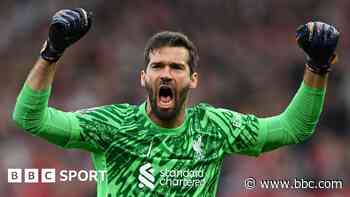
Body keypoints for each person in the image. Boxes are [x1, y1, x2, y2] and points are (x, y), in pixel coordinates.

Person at [12, 8, 340, 197]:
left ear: (193, 80)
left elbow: (292, 128)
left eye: (177, 67)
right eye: (157, 67)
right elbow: (30, 118)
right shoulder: (112, 126)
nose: (166, 74)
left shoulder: (214, 127)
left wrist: (317, 68)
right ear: (143, 78)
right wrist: (50, 54)